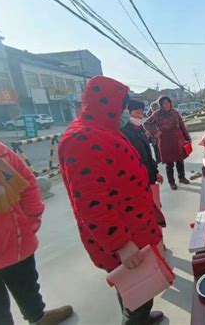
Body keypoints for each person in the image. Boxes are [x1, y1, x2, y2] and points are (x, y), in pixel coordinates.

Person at [58, 76, 164, 325]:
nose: (125, 115)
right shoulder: (81, 140)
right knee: (137, 289)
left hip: (135, 227)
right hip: (124, 238)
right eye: (122, 109)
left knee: (134, 290)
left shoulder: (103, 130)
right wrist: (121, 244)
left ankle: (141, 317)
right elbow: (91, 204)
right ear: (107, 105)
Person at [0, 121, 73, 325]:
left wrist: (32, 217)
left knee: (27, 282)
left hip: (17, 238)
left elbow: (28, 183)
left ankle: (38, 317)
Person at [120, 99, 166, 227]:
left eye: (141, 113)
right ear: (127, 113)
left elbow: (148, 154)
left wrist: (155, 172)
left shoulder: (140, 129)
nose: (139, 116)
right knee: (145, 213)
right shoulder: (124, 133)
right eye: (136, 113)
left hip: (148, 176)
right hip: (137, 180)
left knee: (155, 208)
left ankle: (158, 238)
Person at [144, 96, 191, 191]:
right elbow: (146, 123)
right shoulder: (156, 114)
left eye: (168, 102)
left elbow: (182, 125)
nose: (167, 104)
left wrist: (187, 137)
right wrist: (155, 133)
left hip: (178, 140)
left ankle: (181, 177)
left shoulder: (175, 112)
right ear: (161, 104)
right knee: (169, 164)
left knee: (180, 160)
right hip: (165, 141)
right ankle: (171, 182)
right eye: (164, 103)